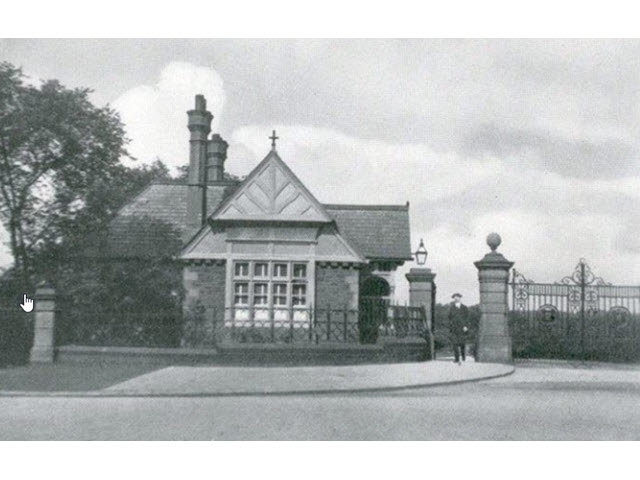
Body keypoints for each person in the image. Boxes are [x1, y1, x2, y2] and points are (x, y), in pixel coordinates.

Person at [448, 293, 469, 365]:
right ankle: (456, 358)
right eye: (455, 297)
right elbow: (449, 317)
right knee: (455, 343)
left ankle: (463, 356)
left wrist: (466, 326)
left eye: (457, 297)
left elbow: (467, 318)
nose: (456, 299)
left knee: (462, 343)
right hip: (454, 328)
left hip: (462, 328)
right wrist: (450, 325)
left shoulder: (464, 308)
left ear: (460, 298)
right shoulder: (451, 308)